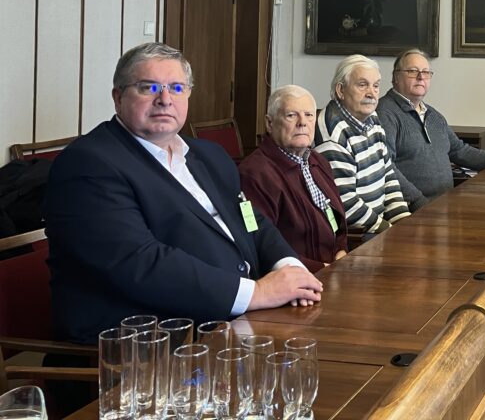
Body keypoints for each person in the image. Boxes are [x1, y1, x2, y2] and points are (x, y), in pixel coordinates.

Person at [45, 42, 323, 344]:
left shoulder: (209, 155)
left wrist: (290, 270)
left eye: (177, 88)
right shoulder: (89, 164)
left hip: (235, 324)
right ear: (118, 97)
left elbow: (250, 221)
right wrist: (257, 292)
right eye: (148, 87)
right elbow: (138, 263)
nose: (165, 99)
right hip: (145, 347)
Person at [377, 48, 485, 211]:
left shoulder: (432, 115)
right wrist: (418, 202)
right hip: (411, 210)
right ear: (395, 77)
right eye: (413, 71)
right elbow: (386, 167)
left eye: (426, 72)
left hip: (443, 205)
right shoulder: (385, 113)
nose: (421, 77)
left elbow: (459, 150)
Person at [239, 85, 348, 272]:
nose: (302, 122)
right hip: (295, 278)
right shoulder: (254, 175)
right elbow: (260, 246)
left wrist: (341, 251)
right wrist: (322, 269)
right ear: (269, 123)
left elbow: (337, 220)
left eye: (309, 115)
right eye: (291, 115)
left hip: (334, 269)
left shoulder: (319, 162)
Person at [313, 55, 410, 240]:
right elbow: (347, 205)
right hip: (355, 236)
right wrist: (391, 231)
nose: (372, 94)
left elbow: (388, 174)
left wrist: (403, 222)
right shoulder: (333, 135)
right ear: (341, 90)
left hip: (378, 225)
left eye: (376, 86)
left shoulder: (371, 117)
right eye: (362, 85)